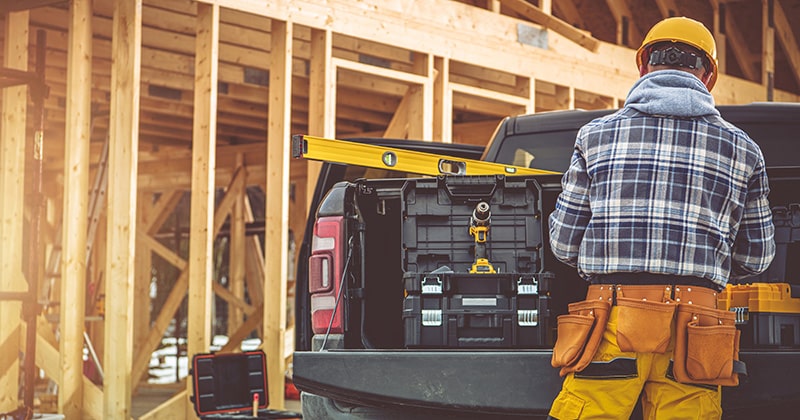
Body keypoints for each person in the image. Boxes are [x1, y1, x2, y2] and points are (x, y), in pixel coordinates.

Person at [547, 17, 775, 420]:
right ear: (709, 77)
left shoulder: (595, 136)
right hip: (697, 332)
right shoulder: (745, 150)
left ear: (642, 66)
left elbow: (564, 243)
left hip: (611, 324)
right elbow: (756, 258)